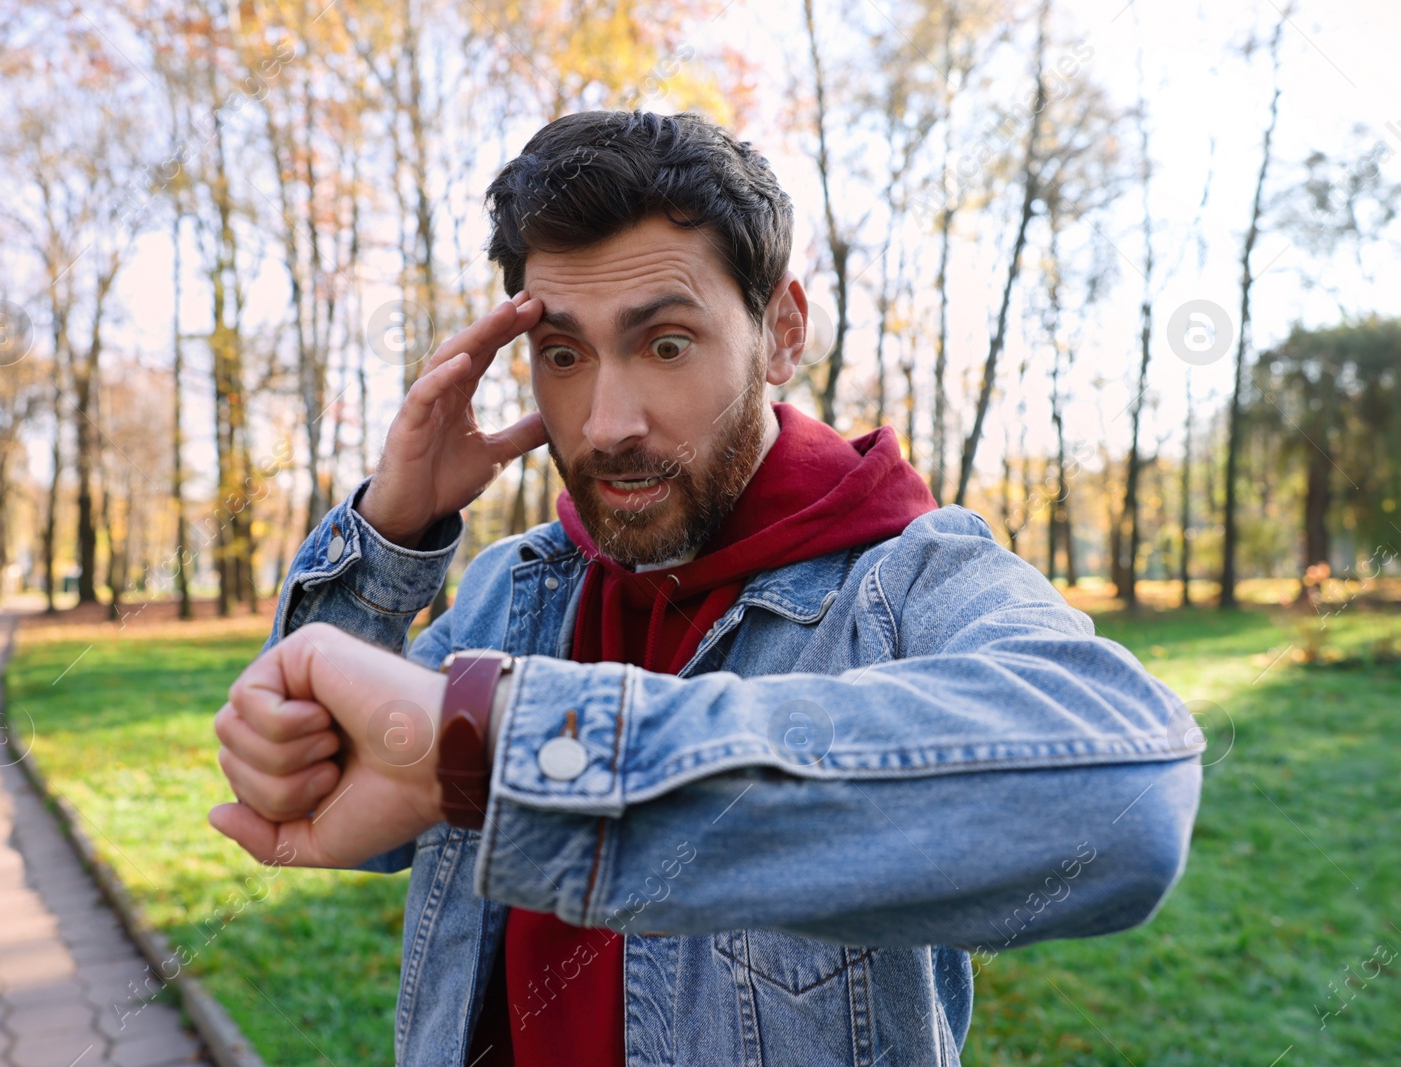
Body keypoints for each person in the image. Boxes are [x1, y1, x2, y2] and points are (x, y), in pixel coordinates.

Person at [209, 110, 1203, 1066]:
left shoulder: (904, 581)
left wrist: (503, 745)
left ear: (779, 331)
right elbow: (326, 788)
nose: (605, 424)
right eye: (562, 354)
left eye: (665, 343)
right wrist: (389, 534)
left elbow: (1126, 794)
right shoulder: (509, 593)